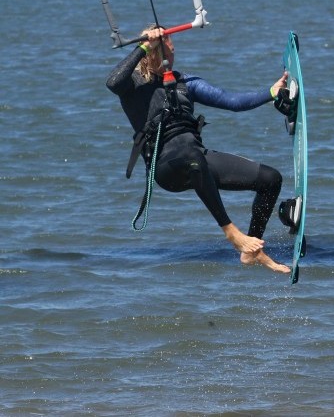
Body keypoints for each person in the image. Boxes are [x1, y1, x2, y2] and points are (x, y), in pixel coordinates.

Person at [105, 26, 291, 274]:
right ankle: (232, 232)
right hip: (166, 167)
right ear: (158, 49)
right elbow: (112, 81)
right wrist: (143, 46)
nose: (173, 49)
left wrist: (271, 92)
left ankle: (252, 251)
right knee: (191, 157)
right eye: (170, 44)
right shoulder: (133, 86)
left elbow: (232, 102)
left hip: (197, 159)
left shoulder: (185, 83)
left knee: (270, 179)